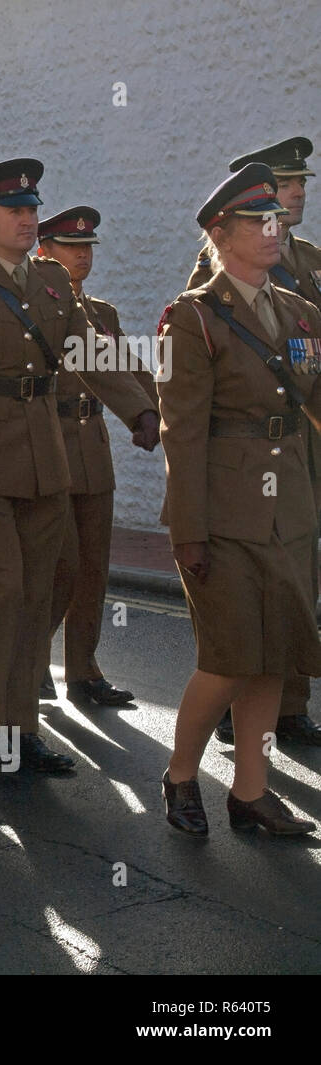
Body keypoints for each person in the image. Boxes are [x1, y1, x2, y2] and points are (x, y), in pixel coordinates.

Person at [0, 158, 154, 773]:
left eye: (32, 210)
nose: (28, 220)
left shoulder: (51, 280)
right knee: (1, 593)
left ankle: (22, 727)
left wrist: (140, 413)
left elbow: (89, 353)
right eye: (16, 212)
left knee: (38, 594)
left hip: (47, 462)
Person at [159, 163, 320, 837]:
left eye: (275, 219)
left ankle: (250, 792)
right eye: (258, 221)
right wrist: (188, 533)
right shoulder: (191, 320)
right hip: (222, 513)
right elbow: (182, 431)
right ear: (220, 235)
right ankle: (180, 774)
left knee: (273, 653)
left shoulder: (301, 312)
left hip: (289, 510)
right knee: (227, 656)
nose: (273, 229)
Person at [191, 138, 321, 748]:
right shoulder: (203, 301)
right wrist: (187, 524)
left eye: (296, 187)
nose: (293, 197)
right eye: (280, 189)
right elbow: (188, 423)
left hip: (296, 450)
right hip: (235, 471)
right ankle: (199, 753)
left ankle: (283, 716)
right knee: (238, 620)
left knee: (296, 588)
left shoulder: (307, 273)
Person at [37, 206, 160, 706]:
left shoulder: (102, 313)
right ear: (44, 251)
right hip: (50, 442)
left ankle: (84, 670)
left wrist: (154, 411)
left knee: (93, 566)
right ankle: (33, 662)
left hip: (93, 447)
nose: (82, 255)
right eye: (71, 246)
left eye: (87, 247)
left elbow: (131, 372)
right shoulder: (37, 311)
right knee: (55, 565)